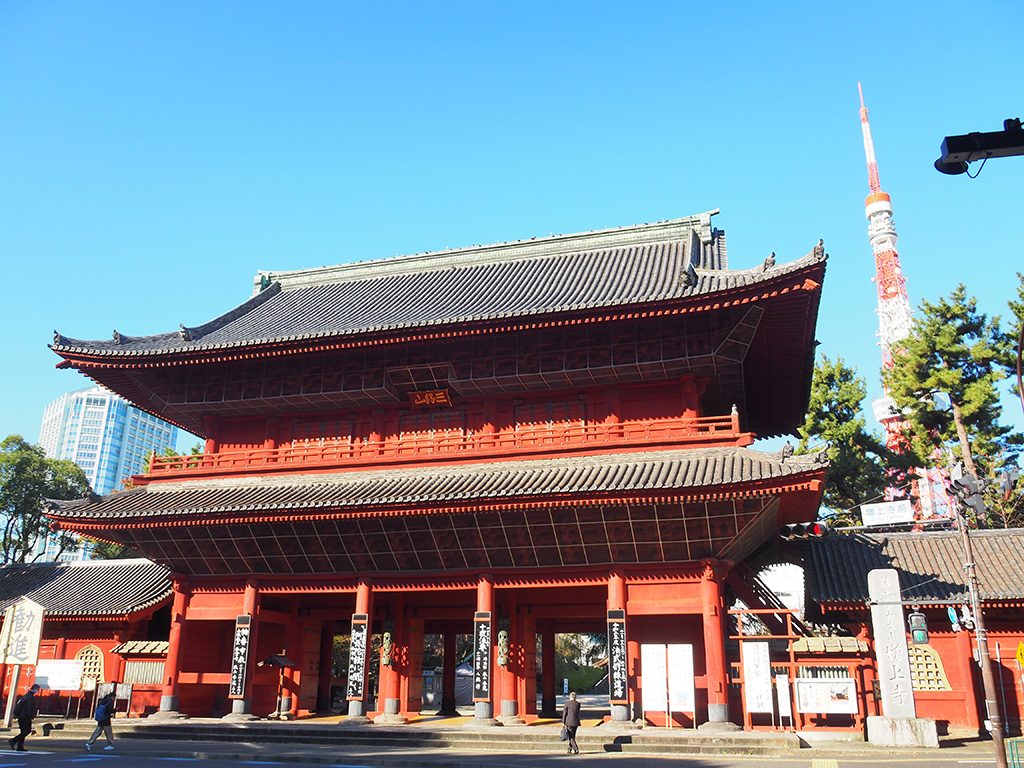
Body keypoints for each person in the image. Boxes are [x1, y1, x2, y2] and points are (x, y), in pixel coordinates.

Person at [8, 684, 40, 752]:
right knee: (27, 731)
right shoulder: (31, 697)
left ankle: (20, 746)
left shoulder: (26, 696)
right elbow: (29, 708)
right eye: (38, 689)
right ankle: (13, 740)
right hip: (25, 717)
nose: (38, 691)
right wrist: (31, 716)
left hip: (21, 716)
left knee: (23, 731)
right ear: (35, 689)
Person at [561, 690, 581, 755]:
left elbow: (565, 713)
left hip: (569, 722)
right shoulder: (578, 704)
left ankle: (576, 749)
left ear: (570, 697)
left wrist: (563, 721)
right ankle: (569, 748)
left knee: (571, 737)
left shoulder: (567, 703)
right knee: (572, 736)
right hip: (576, 722)